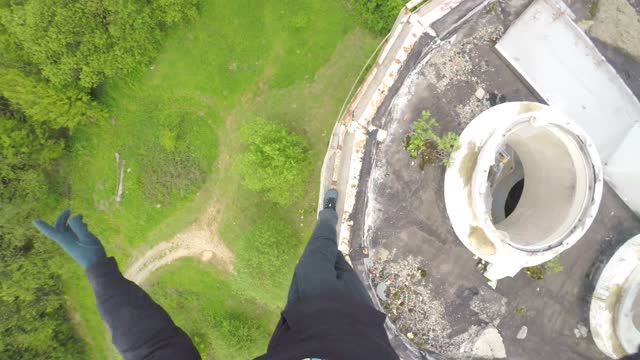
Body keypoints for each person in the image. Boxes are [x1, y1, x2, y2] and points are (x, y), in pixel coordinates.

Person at [34, 189, 399, 360]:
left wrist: (101, 275)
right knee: (330, 261)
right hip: (357, 328)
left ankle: (328, 216)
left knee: (320, 255)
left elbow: (153, 349)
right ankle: (328, 224)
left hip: (309, 322)